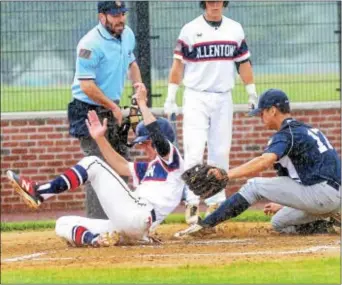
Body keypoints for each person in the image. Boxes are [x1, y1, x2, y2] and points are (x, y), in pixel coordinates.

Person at [7, 83, 185, 246]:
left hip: (139, 214)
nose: (144, 146)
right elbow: (121, 165)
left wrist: (142, 104)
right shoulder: (151, 168)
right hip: (131, 224)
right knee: (63, 223)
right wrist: (100, 139)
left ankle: (40, 192)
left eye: (147, 142)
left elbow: (158, 139)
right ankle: (96, 240)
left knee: (92, 162)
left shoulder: (173, 159)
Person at [174, 88, 341, 237]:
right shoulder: (307, 130)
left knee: (254, 187)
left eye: (262, 113)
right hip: (331, 195)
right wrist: (284, 202)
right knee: (279, 223)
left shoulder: (286, 134)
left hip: (322, 195)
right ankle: (330, 223)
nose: (261, 117)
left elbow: (263, 162)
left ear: (273, 111)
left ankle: (206, 225)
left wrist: (227, 174)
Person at [163, 0, 258, 224]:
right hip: (196, 95)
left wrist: (251, 91)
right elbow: (178, 65)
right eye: (210, 0)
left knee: (220, 152)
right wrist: (171, 96)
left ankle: (215, 203)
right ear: (204, 3)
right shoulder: (189, 29)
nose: (214, 5)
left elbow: (243, 63)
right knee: (194, 150)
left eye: (218, 0)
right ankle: (193, 202)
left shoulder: (235, 29)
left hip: (223, 96)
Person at [68, 1, 142, 219]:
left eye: (122, 13)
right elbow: (86, 85)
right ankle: (97, 225)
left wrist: (139, 88)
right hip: (88, 109)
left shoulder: (127, 34)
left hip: (113, 108)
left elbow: (132, 63)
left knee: (122, 163)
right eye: (114, 14)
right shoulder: (89, 44)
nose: (120, 18)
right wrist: (112, 106)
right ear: (102, 17)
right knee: (98, 167)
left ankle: (122, 221)